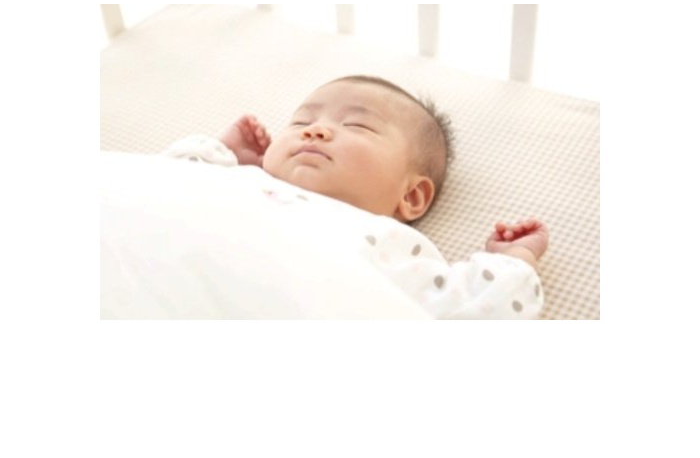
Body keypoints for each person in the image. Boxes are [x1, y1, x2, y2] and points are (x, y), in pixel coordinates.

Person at [162, 75, 549, 319]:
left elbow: (474, 312)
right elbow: (161, 187)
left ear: (411, 195)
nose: (315, 131)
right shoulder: (238, 180)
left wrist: (514, 259)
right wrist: (220, 153)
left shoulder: (381, 242)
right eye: (301, 122)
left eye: (357, 125)